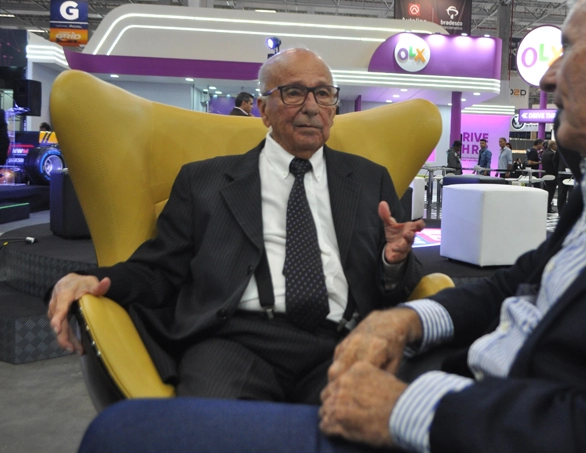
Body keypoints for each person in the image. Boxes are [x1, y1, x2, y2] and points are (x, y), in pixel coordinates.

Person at [77, 0, 586, 453]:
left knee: (121, 437)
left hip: (430, 401)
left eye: (568, 46)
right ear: (262, 107)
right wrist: (408, 316)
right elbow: (514, 284)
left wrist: (399, 348)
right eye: (293, 93)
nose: (545, 75)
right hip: (255, 343)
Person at [48, 48, 424, 405]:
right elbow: (160, 270)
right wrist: (87, 278)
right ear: (263, 108)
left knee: (369, 426)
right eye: (294, 92)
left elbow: (401, 281)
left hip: (345, 339)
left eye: (323, 94)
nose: (311, 107)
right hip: (235, 341)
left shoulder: (368, 179)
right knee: (214, 428)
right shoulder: (205, 181)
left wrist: (393, 260)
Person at [540, 140, 558, 212]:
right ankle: (548, 208)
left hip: (545, 175)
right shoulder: (552, 154)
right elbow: (554, 165)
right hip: (552, 175)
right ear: (553, 146)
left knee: (546, 191)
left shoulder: (544, 153)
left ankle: (546, 207)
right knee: (550, 192)